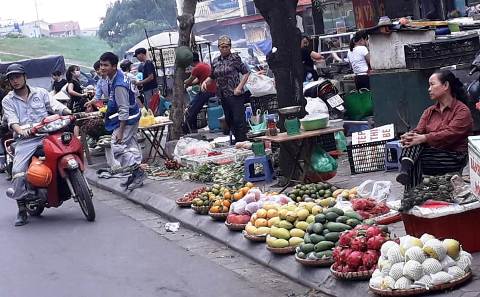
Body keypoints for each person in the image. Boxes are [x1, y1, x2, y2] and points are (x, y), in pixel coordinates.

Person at [2, 64, 70, 226]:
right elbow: (12, 121)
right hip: (26, 140)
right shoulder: (8, 100)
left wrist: (68, 112)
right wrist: (20, 130)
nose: (15, 80)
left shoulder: (41, 92)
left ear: (25, 77)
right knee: (18, 172)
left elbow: (55, 106)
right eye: (12, 78)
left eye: (18, 76)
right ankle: (21, 209)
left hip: (47, 134)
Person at [396, 70, 473, 189]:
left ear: (446, 85)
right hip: (432, 152)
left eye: (432, 84)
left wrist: (424, 138)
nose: (429, 89)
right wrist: (410, 136)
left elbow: (450, 134)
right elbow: (419, 131)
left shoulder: (462, 111)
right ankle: (408, 181)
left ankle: (410, 195)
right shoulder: (429, 111)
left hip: (453, 157)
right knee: (414, 143)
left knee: (417, 158)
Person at [99, 52, 145, 190]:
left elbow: (123, 108)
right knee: (130, 145)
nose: (102, 68)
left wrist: (120, 130)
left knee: (117, 146)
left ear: (114, 66)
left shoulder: (119, 84)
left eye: (105, 65)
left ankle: (138, 172)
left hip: (127, 120)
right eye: (101, 65)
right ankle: (135, 175)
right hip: (131, 116)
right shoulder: (115, 77)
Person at [201, 35, 250, 143]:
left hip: (235, 94)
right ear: (218, 48)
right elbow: (212, 76)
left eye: (227, 47)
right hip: (223, 94)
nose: (224, 49)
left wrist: (239, 87)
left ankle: (243, 141)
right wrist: (205, 82)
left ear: (230, 47)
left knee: (238, 119)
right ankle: (238, 141)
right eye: (222, 47)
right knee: (229, 119)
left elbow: (246, 72)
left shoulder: (235, 58)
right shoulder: (215, 60)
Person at [183, 52, 217, 134]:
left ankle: (186, 129)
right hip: (212, 90)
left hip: (207, 91)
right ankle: (193, 128)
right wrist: (188, 83)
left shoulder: (196, 68)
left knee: (192, 109)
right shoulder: (203, 65)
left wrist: (183, 82)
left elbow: (190, 80)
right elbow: (197, 80)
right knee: (192, 105)